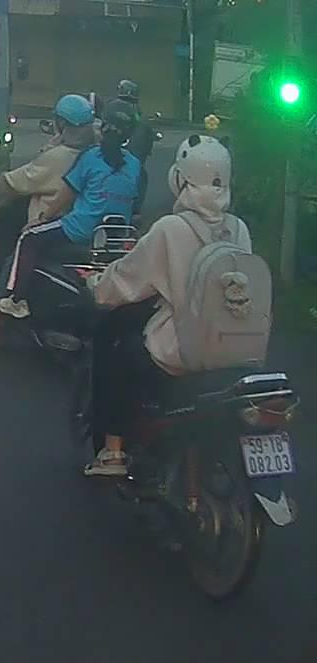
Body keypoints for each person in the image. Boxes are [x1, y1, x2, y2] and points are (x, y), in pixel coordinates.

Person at [83, 134, 245, 476]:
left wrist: (95, 284)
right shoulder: (238, 229)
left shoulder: (170, 229)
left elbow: (126, 280)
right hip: (233, 347)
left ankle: (113, 452)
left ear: (181, 180)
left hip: (181, 350)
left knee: (117, 352)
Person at [0, 100, 141, 347]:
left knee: (24, 243)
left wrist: (42, 218)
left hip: (78, 230)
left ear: (62, 124)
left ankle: (0, 319)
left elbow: (62, 193)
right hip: (114, 236)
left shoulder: (82, 156)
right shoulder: (134, 164)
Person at [0, 94, 97, 252]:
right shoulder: (98, 154)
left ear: (61, 124)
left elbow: (18, 181)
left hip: (51, 224)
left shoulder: (58, 156)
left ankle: (9, 268)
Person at [115, 79, 156, 218]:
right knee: (141, 176)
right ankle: (136, 209)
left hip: (108, 154)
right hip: (133, 156)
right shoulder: (139, 114)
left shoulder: (111, 107)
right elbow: (148, 134)